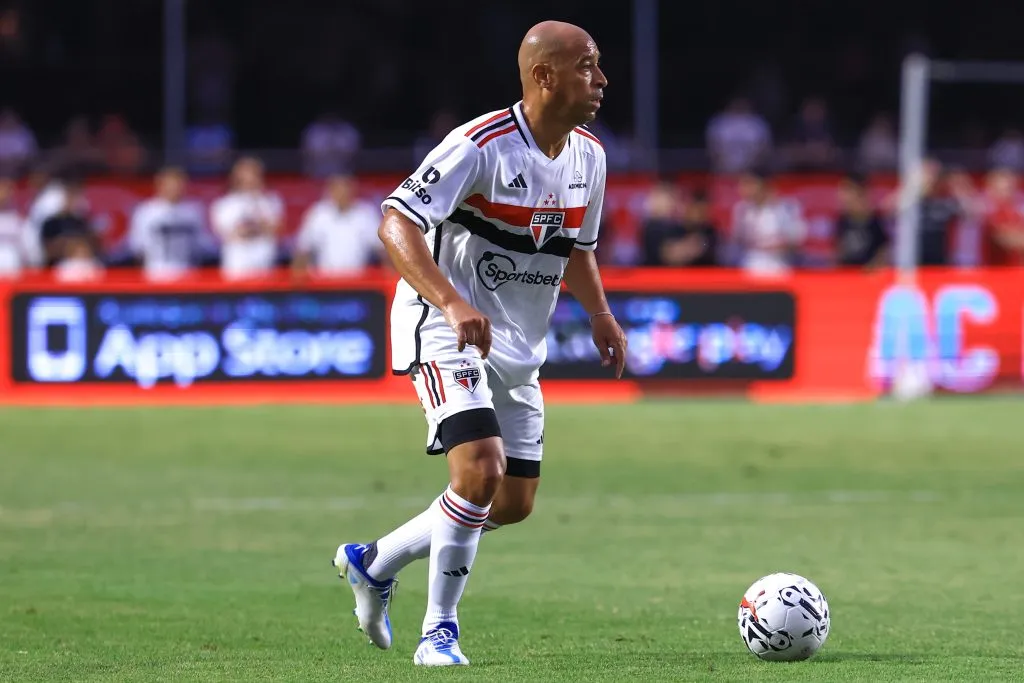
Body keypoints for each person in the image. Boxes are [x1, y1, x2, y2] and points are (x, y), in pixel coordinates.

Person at [332, 20, 626, 667]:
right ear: (544, 76)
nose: (601, 80)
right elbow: (396, 222)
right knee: (480, 471)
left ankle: (374, 560)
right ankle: (439, 629)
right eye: (588, 66)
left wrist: (600, 313)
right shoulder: (478, 146)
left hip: (516, 342)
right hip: (444, 326)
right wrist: (450, 299)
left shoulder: (590, 158)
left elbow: (577, 247)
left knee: (513, 502)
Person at [127, 167, 211, 280]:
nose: (175, 188)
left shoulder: (194, 211)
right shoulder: (146, 212)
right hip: (156, 275)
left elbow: (202, 244)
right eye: (170, 184)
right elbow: (138, 247)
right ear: (160, 185)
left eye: (179, 184)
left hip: (188, 274)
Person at [291, 174, 383, 276]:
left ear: (353, 190)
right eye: (338, 190)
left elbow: (382, 249)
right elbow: (303, 249)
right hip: (324, 282)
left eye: (345, 189)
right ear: (331, 191)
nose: (342, 194)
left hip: (359, 283)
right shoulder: (318, 214)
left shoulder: (366, 213)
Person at [210, 157, 283, 280]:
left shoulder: (272, 200)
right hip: (237, 268)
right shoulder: (224, 204)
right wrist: (253, 228)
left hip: (265, 266)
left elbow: (276, 229)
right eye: (246, 174)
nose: (250, 178)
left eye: (254, 174)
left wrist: (256, 201)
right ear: (236, 177)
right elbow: (228, 234)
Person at [834, 174, 889, 267]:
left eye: (847, 190)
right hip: (846, 274)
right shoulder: (842, 220)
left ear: (859, 192)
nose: (842, 195)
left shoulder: (875, 220)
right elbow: (838, 251)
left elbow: (883, 250)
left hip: (868, 276)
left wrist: (872, 269)